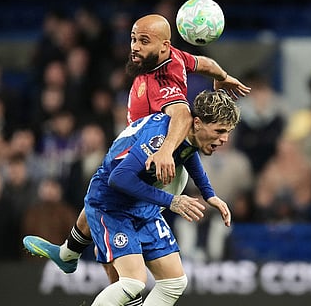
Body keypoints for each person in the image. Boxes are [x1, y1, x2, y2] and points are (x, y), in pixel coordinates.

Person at [23, 13, 250, 304]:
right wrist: (171, 184)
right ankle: (71, 255)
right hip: (124, 186)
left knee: (171, 282)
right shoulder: (167, 114)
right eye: (133, 39)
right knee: (129, 280)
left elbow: (185, 117)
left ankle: (68, 254)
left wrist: (205, 191)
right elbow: (182, 115)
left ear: (165, 47)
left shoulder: (169, 92)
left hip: (144, 174)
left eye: (144, 41)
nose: (135, 47)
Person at [87, 90, 239, 305]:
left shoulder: (184, 134)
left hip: (140, 204)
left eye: (228, 132)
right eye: (220, 130)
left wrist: (209, 194)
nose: (224, 139)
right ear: (197, 123)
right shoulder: (160, 139)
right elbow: (118, 178)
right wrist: (172, 201)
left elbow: (188, 152)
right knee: (133, 282)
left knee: (174, 282)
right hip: (112, 204)